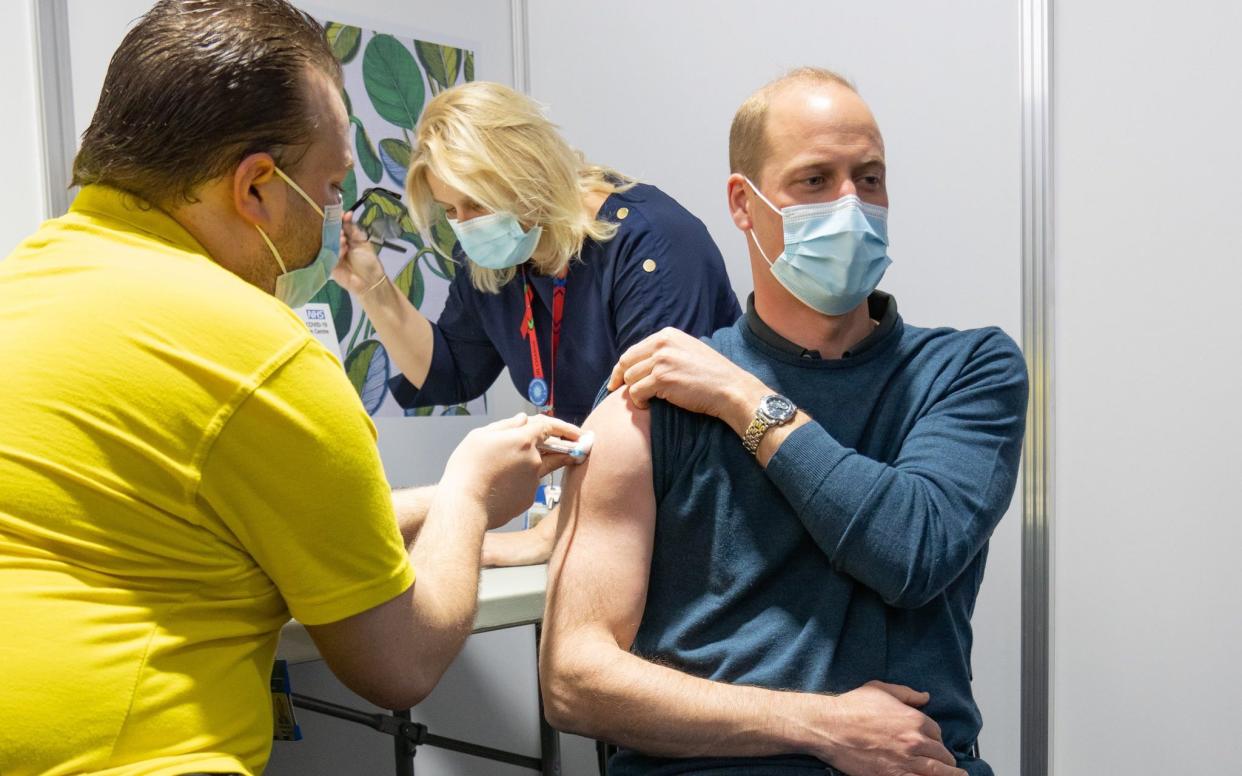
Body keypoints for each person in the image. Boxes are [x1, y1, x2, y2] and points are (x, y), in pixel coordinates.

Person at [0, 3, 579, 775]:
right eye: (332, 188)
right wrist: (470, 494)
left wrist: (444, 499)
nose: (333, 216)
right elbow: (396, 665)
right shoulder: (259, 353)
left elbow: (223, 520)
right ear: (258, 188)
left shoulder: (25, 283)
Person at [538, 68, 1028, 776]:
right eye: (814, 180)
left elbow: (910, 551)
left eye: (870, 177)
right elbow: (573, 681)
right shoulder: (652, 403)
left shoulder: (965, 370)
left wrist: (744, 399)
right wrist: (822, 726)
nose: (851, 204)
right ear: (744, 203)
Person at [332, 81, 742, 566]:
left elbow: (659, 425)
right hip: (601, 526)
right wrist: (372, 287)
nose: (465, 225)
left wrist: (545, 537)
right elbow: (451, 371)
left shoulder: (651, 243)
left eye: (477, 204)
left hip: (699, 525)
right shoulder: (498, 257)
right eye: (451, 211)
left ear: (530, 173)